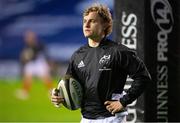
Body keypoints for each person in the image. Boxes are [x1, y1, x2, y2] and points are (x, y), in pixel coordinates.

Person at [51, 3, 151, 123]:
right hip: (86, 118)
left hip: (112, 118)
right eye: (85, 21)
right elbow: (68, 83)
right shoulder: (77, 55)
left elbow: (143, 77)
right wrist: (59, 96)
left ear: (105, 25)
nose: (86, 24)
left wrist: (123, 101)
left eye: (92, 21)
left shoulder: (119, 51)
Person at [16, 30, 53, 100]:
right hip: (31, 63)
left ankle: (51, 92)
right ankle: (25, 92)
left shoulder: (37, 44)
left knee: (45, 77)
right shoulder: (27, 45)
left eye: (28, 37)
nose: (27, 39)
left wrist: (29, 55)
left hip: (39, 62)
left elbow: (38, 53)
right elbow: (25, 56)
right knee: (27, 77)